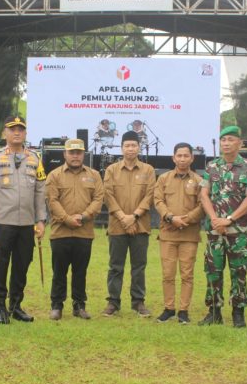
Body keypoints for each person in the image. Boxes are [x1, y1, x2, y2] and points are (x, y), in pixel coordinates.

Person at [0, 115, 47, 324]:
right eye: (12, 129)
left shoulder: (35, 158)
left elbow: (40, 191)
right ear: (4, 133)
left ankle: (16, 305)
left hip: (26, 223)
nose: (16, 132)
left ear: (26, 133)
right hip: (2, 222)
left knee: (22, 265)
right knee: (0, 264)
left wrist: (41, 220)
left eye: (20, 129)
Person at [199, 126, 247, 327]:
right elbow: (204, 195)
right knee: (213, 270)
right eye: (223, 140)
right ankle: (214, 311)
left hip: (238, 232)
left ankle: (238, 313)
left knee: (239, 271)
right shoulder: (212, 166)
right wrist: (216, 219)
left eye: (230, 139)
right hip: (215, 230)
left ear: (240, 143)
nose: (225, 143)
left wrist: (230, 219)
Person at [45, 139, 103, 320]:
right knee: (59, 272)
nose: (75, 156)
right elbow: (52, 201)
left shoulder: (94, 175)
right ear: (65, 154)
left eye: (79, 152)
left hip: (84, 232)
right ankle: (56, 305)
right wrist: (67, 219)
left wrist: (84, 216)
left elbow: (98, 199)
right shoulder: (54, 175)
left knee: (80, 271)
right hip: (60, 232)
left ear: (83, 154)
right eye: (72, 152)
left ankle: (79, 305)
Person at [102, 130, 156, 317]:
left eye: (134, 145)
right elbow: (107, 195)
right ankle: (113, 302)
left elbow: (150, 195)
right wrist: (123, 217)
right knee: (115, 266)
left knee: (139, 266)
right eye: (127, 145)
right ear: (122, 148)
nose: (130, 149)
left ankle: (138, 302)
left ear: (139, 147)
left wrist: (133, 216)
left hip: (140, 225)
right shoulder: (112, 170)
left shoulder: (148, 170)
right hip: (117, 225)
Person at [153, 143, 204, 324]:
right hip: (168, 233)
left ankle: (183, 311)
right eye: (179, 156)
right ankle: (168, 308)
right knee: (167, 274)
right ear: (173, 158)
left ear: (192, 158)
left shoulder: (199, 180)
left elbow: (203, 204)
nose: (182, 159)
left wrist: (187, 219)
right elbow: (158, 200)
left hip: (189, 234)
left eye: (186, 156)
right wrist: (170, 217)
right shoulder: (163, 179)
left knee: (187, 274)